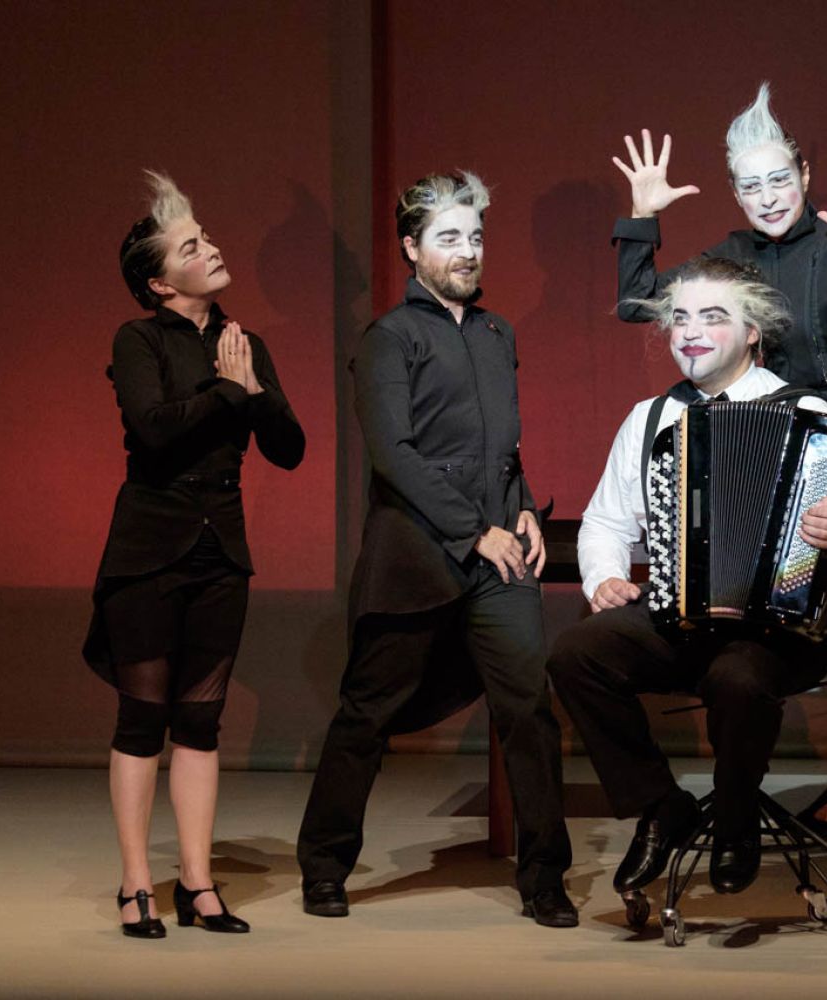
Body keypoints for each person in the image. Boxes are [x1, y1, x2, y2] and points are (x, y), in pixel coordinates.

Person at [610, 83, 827, 839]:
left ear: (804, 175)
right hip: (768, 450)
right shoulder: (730, 259)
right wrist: (643, 216)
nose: (768, 197)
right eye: (751, 185)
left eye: (780, 179)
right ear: (735, 192)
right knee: (752, 610)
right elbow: (637, 306)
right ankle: (737, 793)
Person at [547, 257, 827, 899]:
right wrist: (604, 579)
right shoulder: (650, 418)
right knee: (577, 653)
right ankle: (660, 805)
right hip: (679, 621)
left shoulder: (808, 413)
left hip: (781, 632)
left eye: (713, 317)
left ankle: (736, 818)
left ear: (753, 331)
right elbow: (604, 522)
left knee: (739, 677)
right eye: (680, 318)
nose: (691, 332)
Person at [295, 171, 575, 928]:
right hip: (417, 556)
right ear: (411, 248)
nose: (467, 251)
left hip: (499, 558)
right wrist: (473, 529)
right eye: (449, 238)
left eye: (475, 237)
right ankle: (324, 866)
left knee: (529, 711)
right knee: (366, 715)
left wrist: (522, 509)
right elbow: (395, 455)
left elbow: (502, 447)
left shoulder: (496, 333)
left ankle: (545, 877)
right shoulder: (389, 339)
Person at [86, 171, 305, 938]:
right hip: (148, 548)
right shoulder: (138, 339)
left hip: (221, 549)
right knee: (142, 718)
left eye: (205, 237)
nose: (209, 249)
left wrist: (255, 391)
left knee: (201, 722)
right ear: (159, 282)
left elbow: (290, 449)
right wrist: (229, 394)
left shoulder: (245, 344)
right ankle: (135, 884)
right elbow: (153, 428)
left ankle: (198, 883)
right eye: (190, 247)